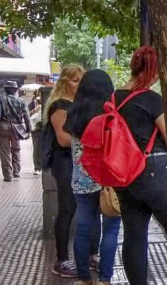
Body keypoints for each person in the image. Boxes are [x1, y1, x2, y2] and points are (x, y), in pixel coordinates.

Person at [115, 46, 167, 285]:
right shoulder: (151, 99)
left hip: (124, 175)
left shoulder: (113, 98)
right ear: (151, 71)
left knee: (134, 235)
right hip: (154, 172)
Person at [65, 70, 122, 285]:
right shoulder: (112, 113)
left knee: (83, 228)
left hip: (82, 180)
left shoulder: (74, 113)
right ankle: (105, 279)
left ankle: (83, 277)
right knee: (111, 229)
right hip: (109, 179)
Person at [44, 64, 86, 278]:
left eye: (81, 80)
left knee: (81, 209)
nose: (78, 84)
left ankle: (85, 256)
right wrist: (90, 140)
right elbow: (63, 139)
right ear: (64, 82)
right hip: (65, 161)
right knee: (67, 208)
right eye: (74, 80)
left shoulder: (78, 104)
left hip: (78, 160)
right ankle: (61, 259)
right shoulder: (60, 105)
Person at [0, 81, 32, 182]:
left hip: (3, 127)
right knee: (16, 150)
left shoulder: (1, 99)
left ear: (5, 90)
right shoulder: (21, 101)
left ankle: (8, 176)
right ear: (15, 90)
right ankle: (16, 172)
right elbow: (26, 117)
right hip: (17, 129)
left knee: (5, 152)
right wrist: (28, 129)